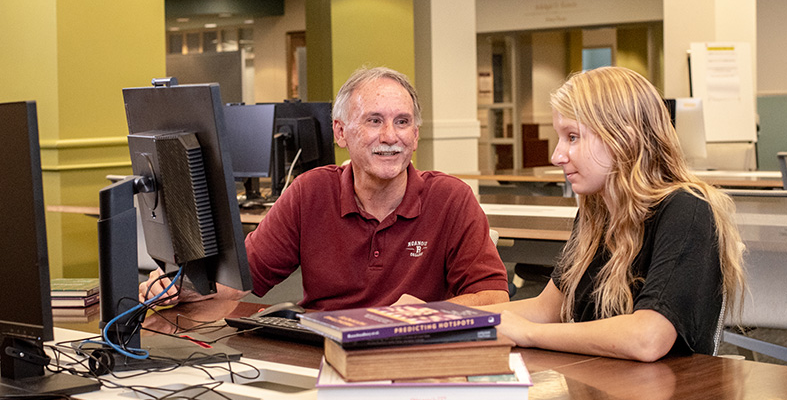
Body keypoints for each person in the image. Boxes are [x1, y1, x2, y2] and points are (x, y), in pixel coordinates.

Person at [139, 66, 510, 310]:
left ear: (415, 135)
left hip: (413, 359)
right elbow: (241, 281)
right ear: (340, 132)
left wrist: (428, 313)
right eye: (373, 121)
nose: (390, 136)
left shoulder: (450, 199)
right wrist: (176, 286)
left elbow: (494, 297)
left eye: (402, 122)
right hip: (321, 356)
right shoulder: (309, 192)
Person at [482, 66, 745, 362]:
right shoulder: (596, 212)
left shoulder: (686, 210)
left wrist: (528, 334)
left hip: (667, 399)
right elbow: (546, 310)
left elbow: (648, 338)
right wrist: (442, 319)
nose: (556, 156)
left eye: (572, 137)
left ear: (624, 139)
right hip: (604, 385)